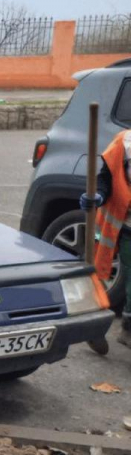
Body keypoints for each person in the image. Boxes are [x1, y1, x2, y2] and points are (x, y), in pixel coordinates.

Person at [80, 128, 131, 347]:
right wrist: (98, 195)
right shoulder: (125, 142)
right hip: (122, 223)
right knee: (99, 273)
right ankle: (93, 327)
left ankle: (127, 329)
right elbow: (105, 177)